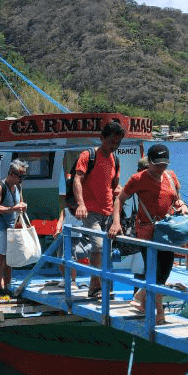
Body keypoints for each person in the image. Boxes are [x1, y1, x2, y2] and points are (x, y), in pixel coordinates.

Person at [111, 142, 188, 324]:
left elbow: (176, 199)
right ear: (150, 162)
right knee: (155, 273)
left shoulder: (171, 177)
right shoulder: (138, 179)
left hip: (167, 232)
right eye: (158, 164)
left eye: (164, 164)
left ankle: (142, 298)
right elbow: (120, 199)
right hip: (147, 233)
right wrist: (116, 223)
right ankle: (158, 315)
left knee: (164, 274)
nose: (161, 167)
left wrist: (182, 206)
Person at [71, 120, 124, 299]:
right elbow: (78, 179)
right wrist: (81, 204)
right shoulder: (88, 155)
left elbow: (114, 187)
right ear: (101, 138)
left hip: (107, 213)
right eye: (110, 142)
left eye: (117, 143)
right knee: (99, 245)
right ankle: (95, 286)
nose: (113, 146)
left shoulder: (115, 160)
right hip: (91, 211)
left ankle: (102, 286)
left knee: (105, 250)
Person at [0, 161, 28, 300]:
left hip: (11, 227)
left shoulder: (17, 187)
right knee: (0, 258)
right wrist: (12, 209)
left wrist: (22, 206)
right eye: (20, 176)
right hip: (0, 227)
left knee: (9, 258)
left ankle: (8, 287)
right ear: (11, 173)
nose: (22, 179)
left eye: (24, 177)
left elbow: (19, 203)